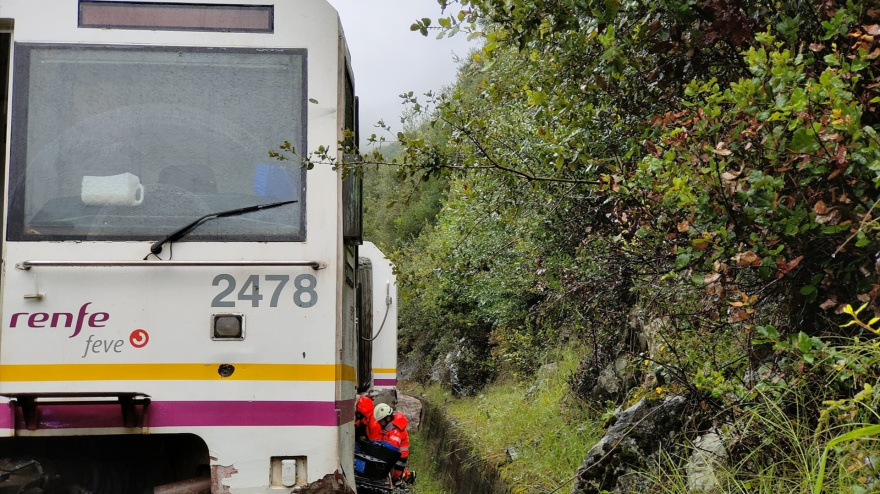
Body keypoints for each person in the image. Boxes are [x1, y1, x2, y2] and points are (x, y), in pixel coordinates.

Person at [373, 403, 416, 485]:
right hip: (395, 454)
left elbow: (392, 448)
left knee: (395, 476)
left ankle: (407, 476)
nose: (379, 423)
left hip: (400, 456)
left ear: (388, 418)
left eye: (380, 421)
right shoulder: (388, 428)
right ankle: (406, 475)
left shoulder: (395, 432)